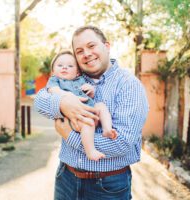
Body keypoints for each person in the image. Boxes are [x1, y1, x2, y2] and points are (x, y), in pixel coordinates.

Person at [34, 25, 149, 200]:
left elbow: (122, 142)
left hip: (107, 186)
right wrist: (63, 103)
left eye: (91, 46)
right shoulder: (73, 77)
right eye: (79, 51)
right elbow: (40, 100)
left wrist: (69, 135)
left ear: (107, 46)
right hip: (66, 179)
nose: (86, 54)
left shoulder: (128, 84)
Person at [46, 50, 118, 161]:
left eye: (70, 66)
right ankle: (90, 151)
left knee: (101, 106)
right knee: (88, 124)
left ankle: (107, 129)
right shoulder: (55, 81)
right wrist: (67, 96)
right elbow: (52, 90)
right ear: (53, 71)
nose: (64, 68)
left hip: (91, 111)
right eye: (60, 65)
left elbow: (91, 95)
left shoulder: (80, 80)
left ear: (78, 72)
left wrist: (91, 90)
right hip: (77, 118)